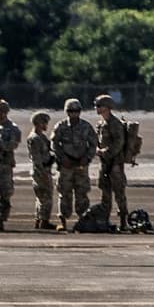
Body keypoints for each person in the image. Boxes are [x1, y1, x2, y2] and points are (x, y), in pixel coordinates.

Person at [51, 98, 97, 231]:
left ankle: (83, 221)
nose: (74, 114)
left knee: (82, 193)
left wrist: (87, 158)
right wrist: (62, 157)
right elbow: (54, 143)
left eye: (76, 111)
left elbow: (93, 144)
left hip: (81, 164)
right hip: (66, 165)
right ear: (67, 112)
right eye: (71, 111)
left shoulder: (86, 126)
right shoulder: (61, 126)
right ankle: (63, 221)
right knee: (64, 193)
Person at [94, 94, 129, 228]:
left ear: (107, 107)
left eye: (99, 106)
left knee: (119, 193)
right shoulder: (101, 124)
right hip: (104, 163)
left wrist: (106, 152)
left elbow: (119, 143)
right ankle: (105, 220)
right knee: (105, 193)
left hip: (115, 164)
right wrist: (98, 149)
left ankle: (123, 222)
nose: (96, 108)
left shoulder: (115, 124)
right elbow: (99, 141)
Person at [0, 99, 21, 231]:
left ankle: (1, 219)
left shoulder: (12, 129)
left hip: (4, 165)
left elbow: (12, 145)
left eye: (2, 112)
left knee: (5, 194)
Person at [26, 111, 55, 230]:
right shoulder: (35, 138)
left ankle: (40, 219)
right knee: (45, 196)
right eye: (44, 122)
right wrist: (42, 172)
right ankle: (44, 221)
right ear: (38, 123)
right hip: (41, 171)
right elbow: (36, 158)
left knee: (42, 197)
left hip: (45, 169)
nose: (46, 125)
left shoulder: (41, 137)